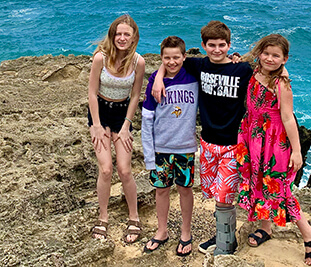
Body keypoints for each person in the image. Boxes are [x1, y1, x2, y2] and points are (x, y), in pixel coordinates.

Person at [152, 21, 253, 256]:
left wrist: (242, 58)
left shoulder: (242, 70)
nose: (217, 50)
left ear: (229, 45)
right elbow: (171, 60)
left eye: (222, 45)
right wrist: (158, 77)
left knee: (225, 196)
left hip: (233, 144)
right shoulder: (198, 65)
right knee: (212, 192)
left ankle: (227, 245)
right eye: (211, 45)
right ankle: (221, 232)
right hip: (207, 143)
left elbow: (271, 70)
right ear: (203, 46)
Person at [236, 34, 311, 266]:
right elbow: (243, 62)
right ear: (259, 53)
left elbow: (287, 117)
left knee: (280, 189)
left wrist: (296, 152)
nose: (270, 59)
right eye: (267, 54)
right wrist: (236, 58)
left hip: (274, 142)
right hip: (253, 136)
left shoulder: (281, 83)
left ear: (285, 59)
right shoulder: (255, 70)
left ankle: (310, 234)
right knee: (258, 182)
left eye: (276, 56)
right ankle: (266, 228)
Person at [87, 14, 145, 244]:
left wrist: (127, 125)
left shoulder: (138, 62)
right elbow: (91, 92)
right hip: (100, 112)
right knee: (106, 169)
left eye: (126, 35)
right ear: (113, 35)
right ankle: (103, 216)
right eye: (118, 34)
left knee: (125, 169)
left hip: (123, 115)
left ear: (133, 38)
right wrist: (97, 126)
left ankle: (134, 216)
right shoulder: (100, 58)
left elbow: (135, 96)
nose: (122, 38)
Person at [141, 36, 198, 256]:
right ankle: (162, 231)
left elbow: (215, 65)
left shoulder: (194, 77)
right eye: (167, 58)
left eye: (176, 57)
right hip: (160, 149)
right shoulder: (155, 80)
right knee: (161, 190)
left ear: (184, 56)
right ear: (161, 58)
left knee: (185, 189)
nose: (172, 62)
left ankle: (186, 232)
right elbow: (146, 118)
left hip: (185, 147)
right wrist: (148, 155)